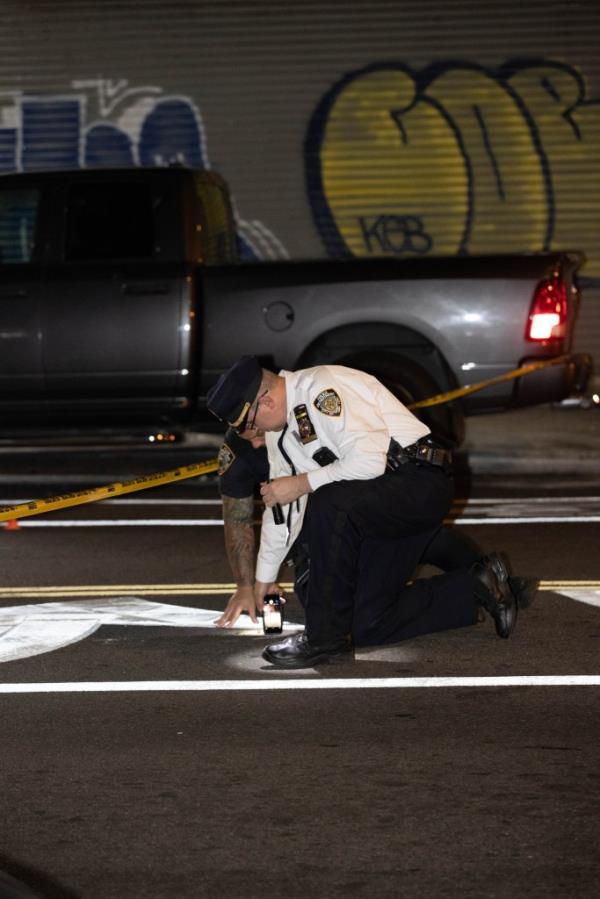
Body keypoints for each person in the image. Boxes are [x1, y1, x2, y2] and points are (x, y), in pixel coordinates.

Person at [207, 356, 532, 669]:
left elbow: (370, 460)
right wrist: (262, 580)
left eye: (251, 428)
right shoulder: (281, 432)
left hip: (417, 481)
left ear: (265, 402)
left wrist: (303, 483)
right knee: (363, 622)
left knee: (328, 501)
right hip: (378, 509)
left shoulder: (320, 388)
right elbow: (283, 505)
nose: (253, 441)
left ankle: (322, 639)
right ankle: (478, 584)